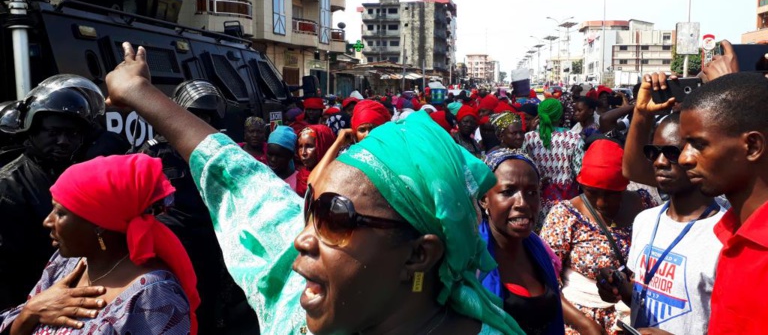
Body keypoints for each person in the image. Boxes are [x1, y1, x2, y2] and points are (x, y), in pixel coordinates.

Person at [103, 42, 526, 334]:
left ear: (419, 254)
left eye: (334, 220)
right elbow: (242, 180)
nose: (300, 239)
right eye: (310, 214)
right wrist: (141, 93)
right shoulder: (308, 304)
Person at [0, 154, 198, 334]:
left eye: (60, 213)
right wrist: (30, 312)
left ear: (99, 224)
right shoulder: (66, 264)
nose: (48, 221)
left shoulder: (154, 295)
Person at [597, 73, 725, 334]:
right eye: (653, 152)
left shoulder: (725, 234)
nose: (659, 162)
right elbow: (644, 297)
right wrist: (619, 289)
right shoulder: (646, 220)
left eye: (671, 152)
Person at [139, 80, 257, 334]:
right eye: (194, 115)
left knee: (210, 307)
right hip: (170, 246)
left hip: (212, 245)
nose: (199, 122)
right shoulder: (154, 152)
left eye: (206, 116)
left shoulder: (223, 153)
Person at [676, 69, 768, 334]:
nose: (684, 159)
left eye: (699, 144)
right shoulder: (730, 233)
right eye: (684, 145)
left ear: (752, 146)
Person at [0, 75, 104, 310]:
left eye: (72, 134)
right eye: (54, 132)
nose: (63, 141)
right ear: (32, 131)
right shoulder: (8, 185)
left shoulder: (76, 172)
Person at [541, 139, 655, 335]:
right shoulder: (565, 215)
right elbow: (544, 280)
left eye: (611, 194)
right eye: (592, 193)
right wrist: (585, 325)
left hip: (634, 320)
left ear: (624, 186)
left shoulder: (644, 205)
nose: (601, 203)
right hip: (581, 323)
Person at [479, 149, 565, 335]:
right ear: (484, 199)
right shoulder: (471, 263)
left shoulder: (539, 251)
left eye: (532, 192)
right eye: (508, 192)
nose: (523, 203)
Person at [523, 99, 584, 230]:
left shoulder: (528, 138)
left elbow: (523, 167)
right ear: (560, 115)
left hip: (537, 199)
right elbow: (580, 172)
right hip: (567, 199)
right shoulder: (574, 138)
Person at [295, 124, 335, 197]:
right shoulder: (302, 176)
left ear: (324, 146)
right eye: (300, 146)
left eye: (309, 146)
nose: (303, 152)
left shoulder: (335, 177)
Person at [267, 125, 301, 193]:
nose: (273, 159)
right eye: (270, 154)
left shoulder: (299, 182)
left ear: (290, 156)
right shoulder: (263, 176)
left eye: (279, 156)